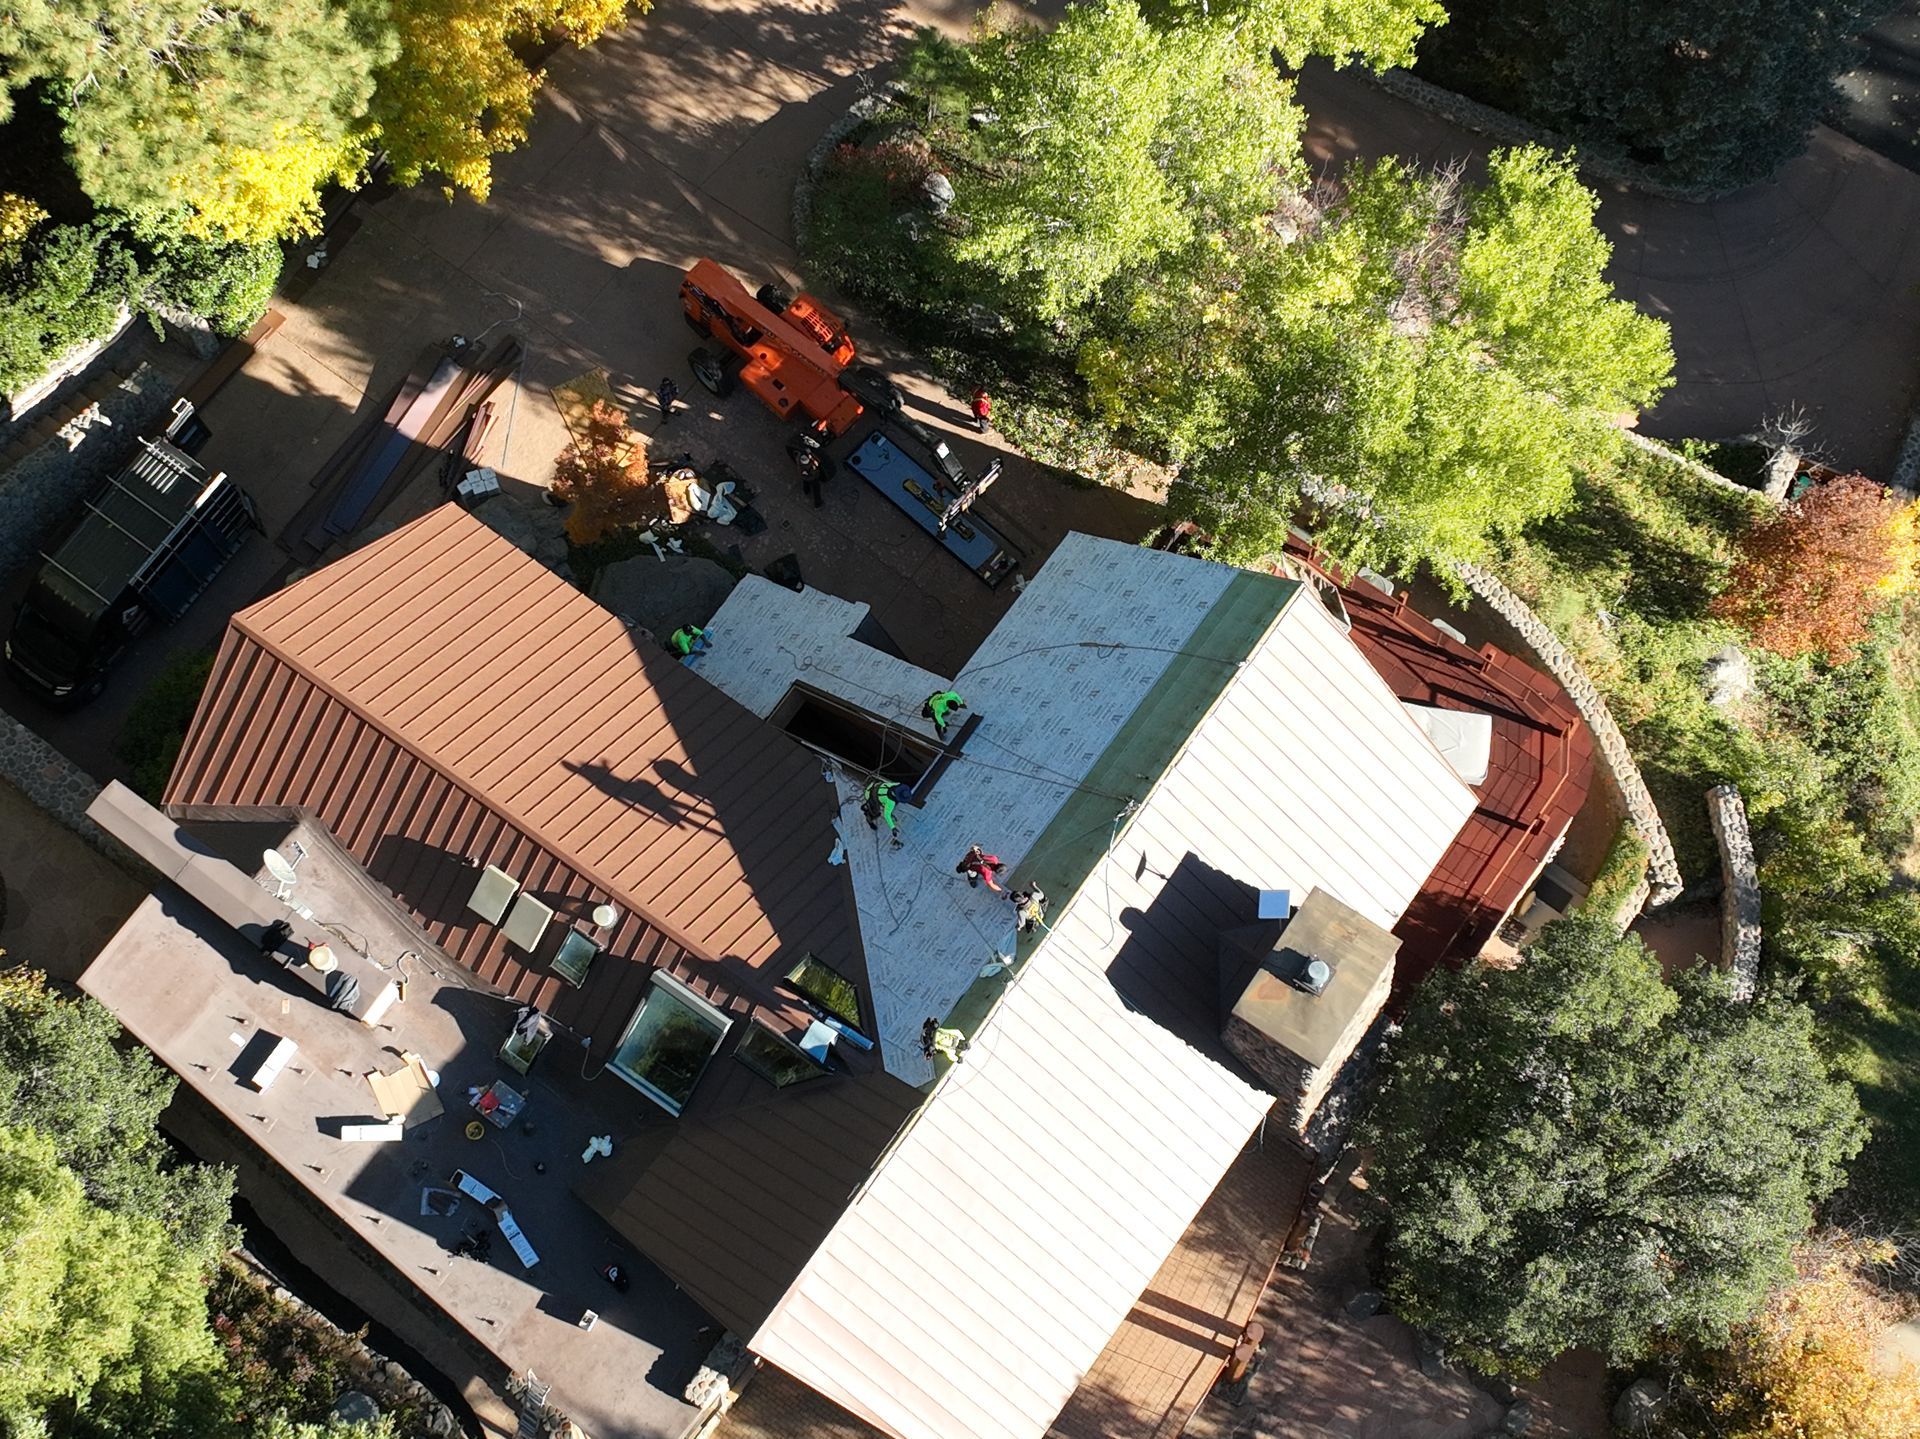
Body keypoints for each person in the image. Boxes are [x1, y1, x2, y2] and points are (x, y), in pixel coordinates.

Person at [862, 778, 903, 845]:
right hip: (870, 795)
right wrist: (893, 827)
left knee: (883, 803)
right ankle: (869, 819)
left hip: (875, 786)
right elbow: (886, 815)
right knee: (875, 812)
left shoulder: (897, 784)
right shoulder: (890, 802)